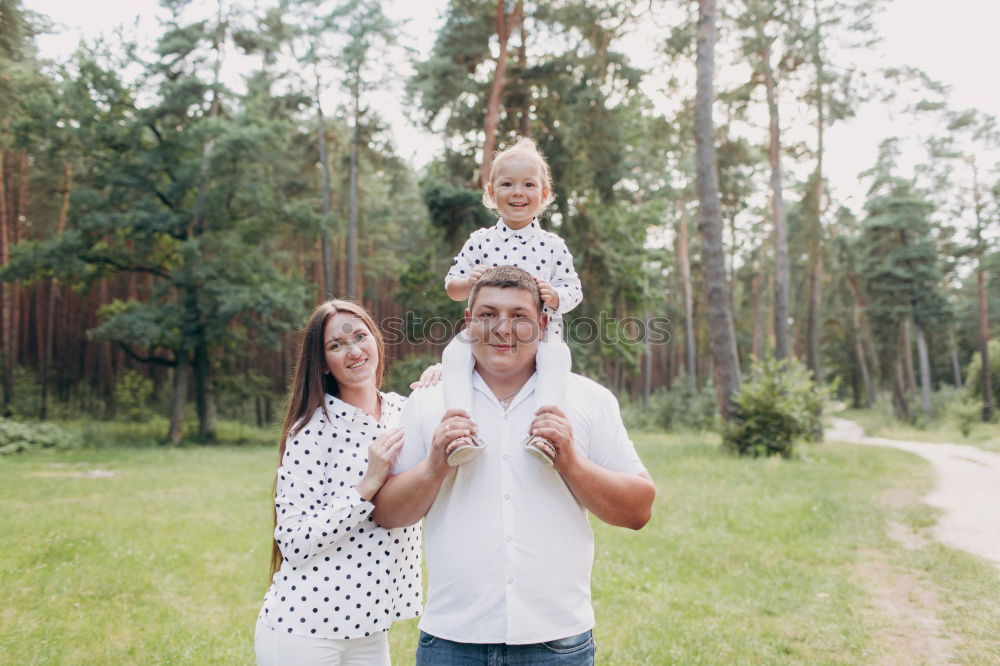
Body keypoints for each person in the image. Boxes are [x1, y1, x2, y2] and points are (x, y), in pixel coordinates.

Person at [373, 266, 656, 666]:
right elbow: (386, 514)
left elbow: (639, 510)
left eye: (519, 316)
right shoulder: (428, 402)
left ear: (542, 324)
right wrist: (435, 466)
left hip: (557, 640)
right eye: (488, 314)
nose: (503, 329)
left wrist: (571, 462)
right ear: (468, 321)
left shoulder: (589, 400)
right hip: (451, 640)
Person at [254, 300, 426, 666]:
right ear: (322, 363)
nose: (354, 351)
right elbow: (293, 541)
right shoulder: (312, 431)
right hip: (305, 628)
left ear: (376, 341)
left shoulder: (406, 411)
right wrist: (366, 486)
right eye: (336, 345)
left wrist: (444, 381)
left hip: (370, 627)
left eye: (360, 336)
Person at [442, 137, 582, 466]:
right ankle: (460, 427)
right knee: (453, 353)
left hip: (540, 335)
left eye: (528, 184)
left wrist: (556, 296)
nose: (518, 192)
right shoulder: (480, 240)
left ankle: (544, 432)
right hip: (486, 334)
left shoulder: (552, 245)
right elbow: (451, 285)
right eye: (507, 184)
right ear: (491, 193)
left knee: (557, 358)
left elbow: (573, 289)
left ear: (544, 195)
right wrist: (469, 281)